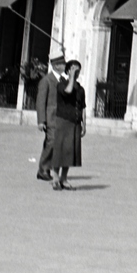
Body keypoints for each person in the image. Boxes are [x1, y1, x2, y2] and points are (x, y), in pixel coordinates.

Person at [48, 60, 87, 191]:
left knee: (69, 152)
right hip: (63, 121)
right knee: (60, 151)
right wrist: (70, 77)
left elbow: (83, 107)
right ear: (68, 70)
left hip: (74, 123)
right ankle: (55, 179)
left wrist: (84, 124)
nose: (76, 72)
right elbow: (68, 91)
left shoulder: (81, 89)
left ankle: (64, 179)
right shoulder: (61, 84)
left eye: (78, 70)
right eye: (74, 69)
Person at [35, 55, 67, 182]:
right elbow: (40, 101)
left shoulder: (63, 80)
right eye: (63, 64)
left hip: (61, 118)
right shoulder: (47, 80)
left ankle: (45, 169)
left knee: (52, 143)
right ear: (56, 66)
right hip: (50, 118)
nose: (65, 66)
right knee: (52, 142)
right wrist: (41, 121)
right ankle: (43, 169)